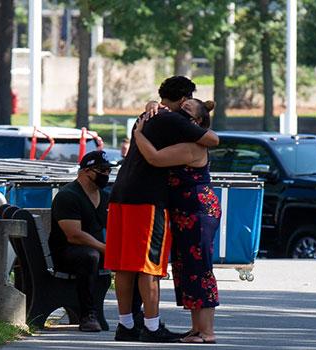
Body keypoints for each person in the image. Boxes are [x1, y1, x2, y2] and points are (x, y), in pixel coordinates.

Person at [105, 76, 220, 343]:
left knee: (123, 264)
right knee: (148, 265)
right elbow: (213, 139)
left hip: (121, 192)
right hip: (147, 198)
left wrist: (140, 126)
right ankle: (152, 326)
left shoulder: (147, 116)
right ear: (183, 99)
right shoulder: (174, 119)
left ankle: (125, 324)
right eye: (188, 103)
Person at [133, 98, 220, 344]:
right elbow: (162, 107)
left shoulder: (193, 145)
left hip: (198, 211)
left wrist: (138, 134)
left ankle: (207, 331)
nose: (179, 114)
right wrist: (152, 103)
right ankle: (197, 329)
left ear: (197, 122)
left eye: (186, 111)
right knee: (187, 269)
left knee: (200, 268)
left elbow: (155, 158)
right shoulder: (184, 139)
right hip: (185, 213)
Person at [48, 150, 114, 332]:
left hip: (96, 252)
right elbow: (73, 235)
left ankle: (134, 317)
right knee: (89, 256)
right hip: (66, 254)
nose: (106, 175)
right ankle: (87, 315)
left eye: (108, 171)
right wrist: (103, 248)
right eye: (101, 170)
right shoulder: (68, 196)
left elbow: (115, 227)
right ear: (85, 171)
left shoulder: (105, 197)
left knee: (134, 260)